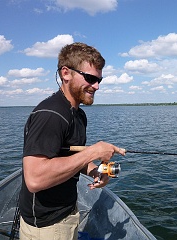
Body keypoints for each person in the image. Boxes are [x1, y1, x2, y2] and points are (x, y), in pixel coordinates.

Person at [19, 42, 125, 240]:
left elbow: (70, 157)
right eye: (91, 78)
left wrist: (94, 170)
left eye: (99, 80)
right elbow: (34, 179)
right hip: (46, 226)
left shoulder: (78, 115)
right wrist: (93, 152)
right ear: (66, 73)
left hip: (67, 212)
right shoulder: (51, 115)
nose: (97, 86)